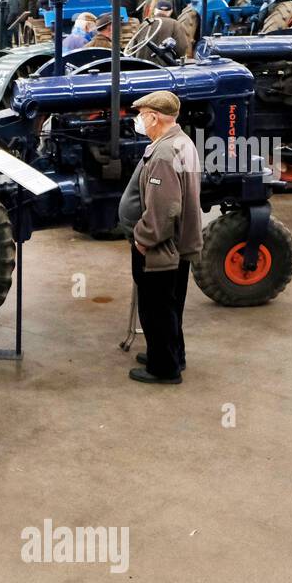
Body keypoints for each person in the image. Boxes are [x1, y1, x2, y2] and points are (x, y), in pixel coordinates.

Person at [117, 90, 202, 384]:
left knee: (156, 309)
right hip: (179, 245)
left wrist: (143, 238)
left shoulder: (164, 154)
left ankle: (163, 368)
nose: (139, 121)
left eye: (141, 116)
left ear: (153, 117)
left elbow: (165, 209)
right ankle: (171, 354)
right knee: (170, 304)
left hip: (159, 249)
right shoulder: (182, 142)